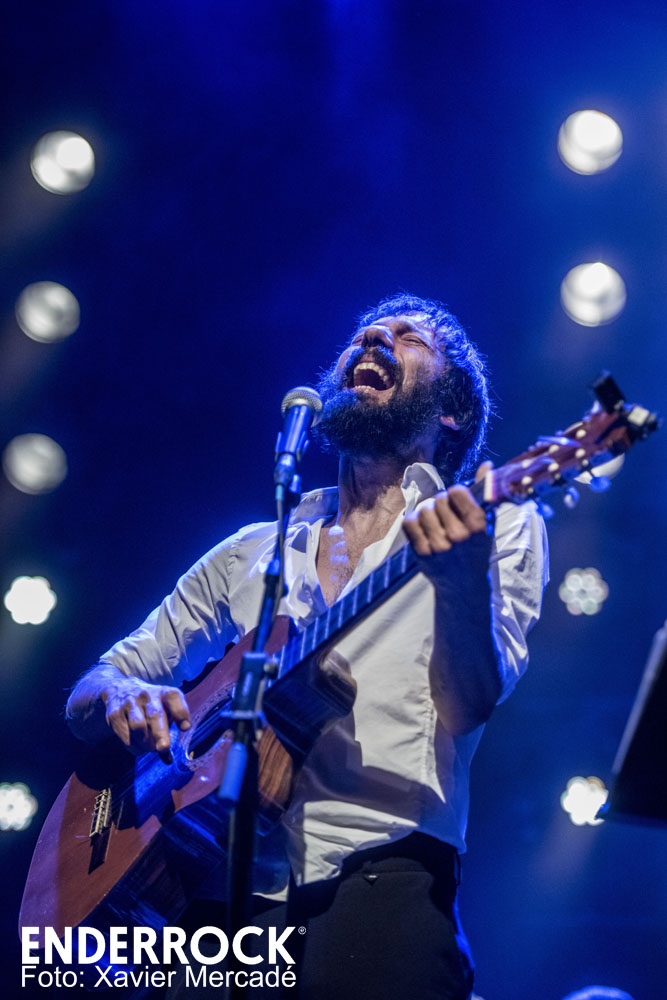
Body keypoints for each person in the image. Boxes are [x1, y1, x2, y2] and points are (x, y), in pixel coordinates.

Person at [66, 293, 548, 1000]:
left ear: (451, 410)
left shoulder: (494, 523)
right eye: (364, 332)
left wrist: (461, 580)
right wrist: (121, 694)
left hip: (382, 879)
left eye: (409, 338)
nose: (374, 336)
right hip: (210, 893)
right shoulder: (253, 551)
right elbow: (97, 684)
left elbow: (469, 704)